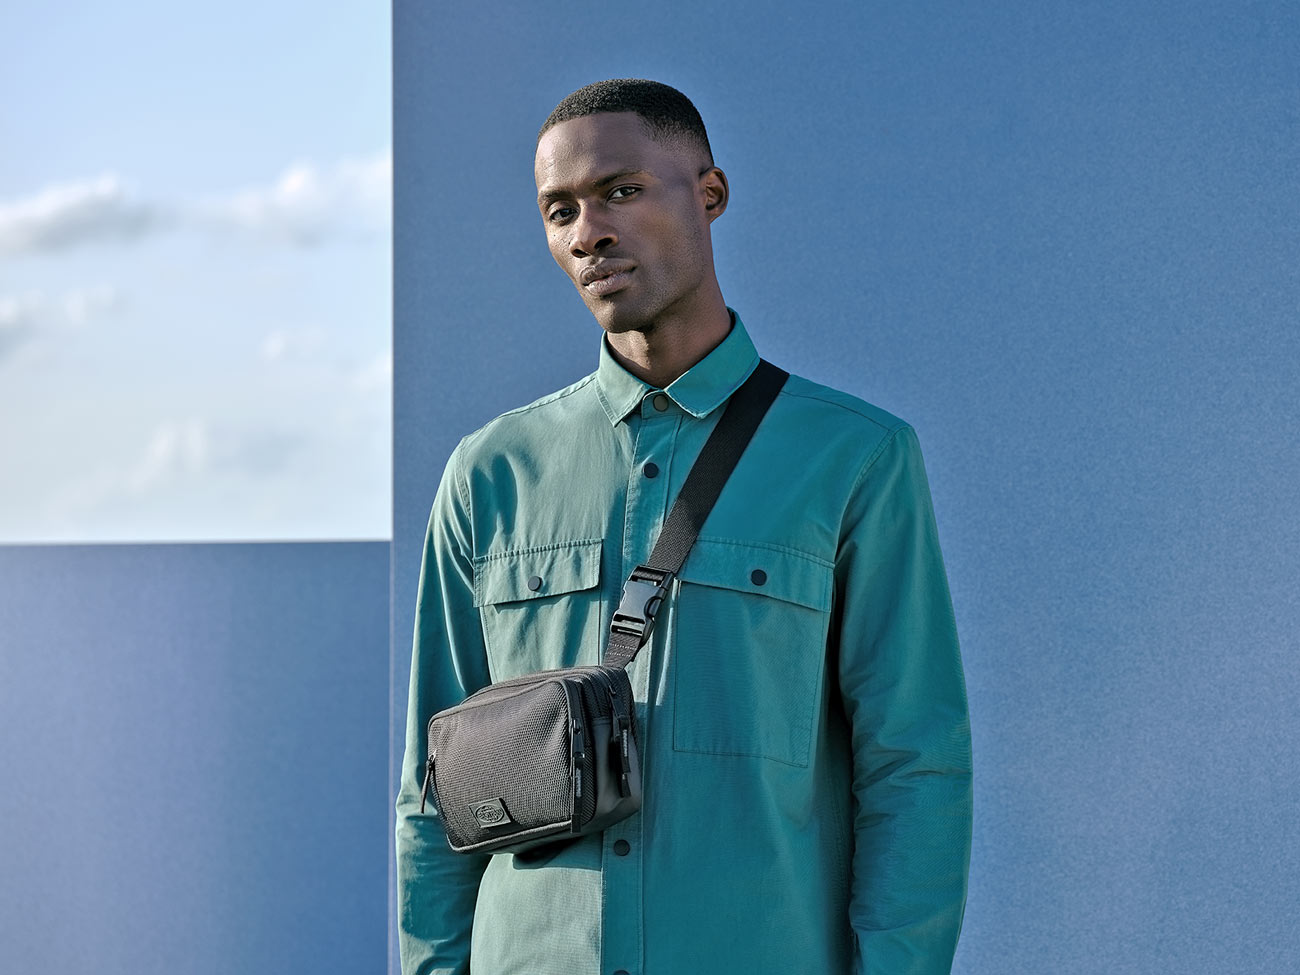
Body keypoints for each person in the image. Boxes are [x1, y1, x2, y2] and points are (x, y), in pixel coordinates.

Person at [396, 78, 972, 975]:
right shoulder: (488, 474)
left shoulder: (855, 458)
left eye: (621, 190)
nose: (588, 232)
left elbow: (914, 765)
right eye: (559, 210)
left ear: (711, 193)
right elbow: (431, 794)